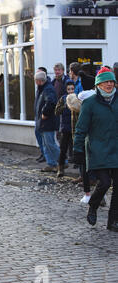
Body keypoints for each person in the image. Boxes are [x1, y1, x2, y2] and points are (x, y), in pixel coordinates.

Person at [73, 67, 118, 231]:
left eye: (111, 81)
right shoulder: (90, 103)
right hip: (97, 149)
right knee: (105, 183)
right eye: (106, 81)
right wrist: (77, 150)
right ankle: (93, 205)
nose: (109, 84)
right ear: (98, 84)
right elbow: (81, 128)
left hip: (116, 148)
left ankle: (113, 221)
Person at [34, 70, 60, 172]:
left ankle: (62, 161)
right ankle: (51, 163)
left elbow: (51, 102)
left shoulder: (47, 89)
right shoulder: (42, 88)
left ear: (39, 80)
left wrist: (44, 113)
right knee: (45, 144)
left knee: (50, 143)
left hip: (47, 121)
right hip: (42, 121)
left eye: (36, 80)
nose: (35, 82)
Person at [55, 80, 75, 177]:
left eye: (72, 89)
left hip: (75, 128)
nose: (70, 91)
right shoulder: (63, 99)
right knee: (63, 149)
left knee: (76, 149)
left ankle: (79, 169)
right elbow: (57, 112)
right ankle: (60, 168)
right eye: (69, 89)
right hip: (65, 128)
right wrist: (63, 107)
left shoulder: (77, 98)